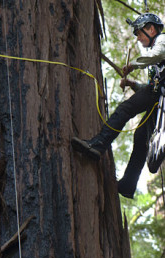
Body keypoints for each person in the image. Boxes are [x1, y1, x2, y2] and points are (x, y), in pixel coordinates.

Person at [71, 13, 165, 199]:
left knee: (125, 109)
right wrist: (132, 84)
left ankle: (98, 144)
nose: (138, 38)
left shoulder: (162, 40)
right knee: (140, 137)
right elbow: (154, 83)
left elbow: (158, 55)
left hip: (159, 97)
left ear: (152, 29)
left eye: (139, 33)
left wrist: (133, 64)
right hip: (158, 97)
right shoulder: (155, 50)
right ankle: (128, 185)